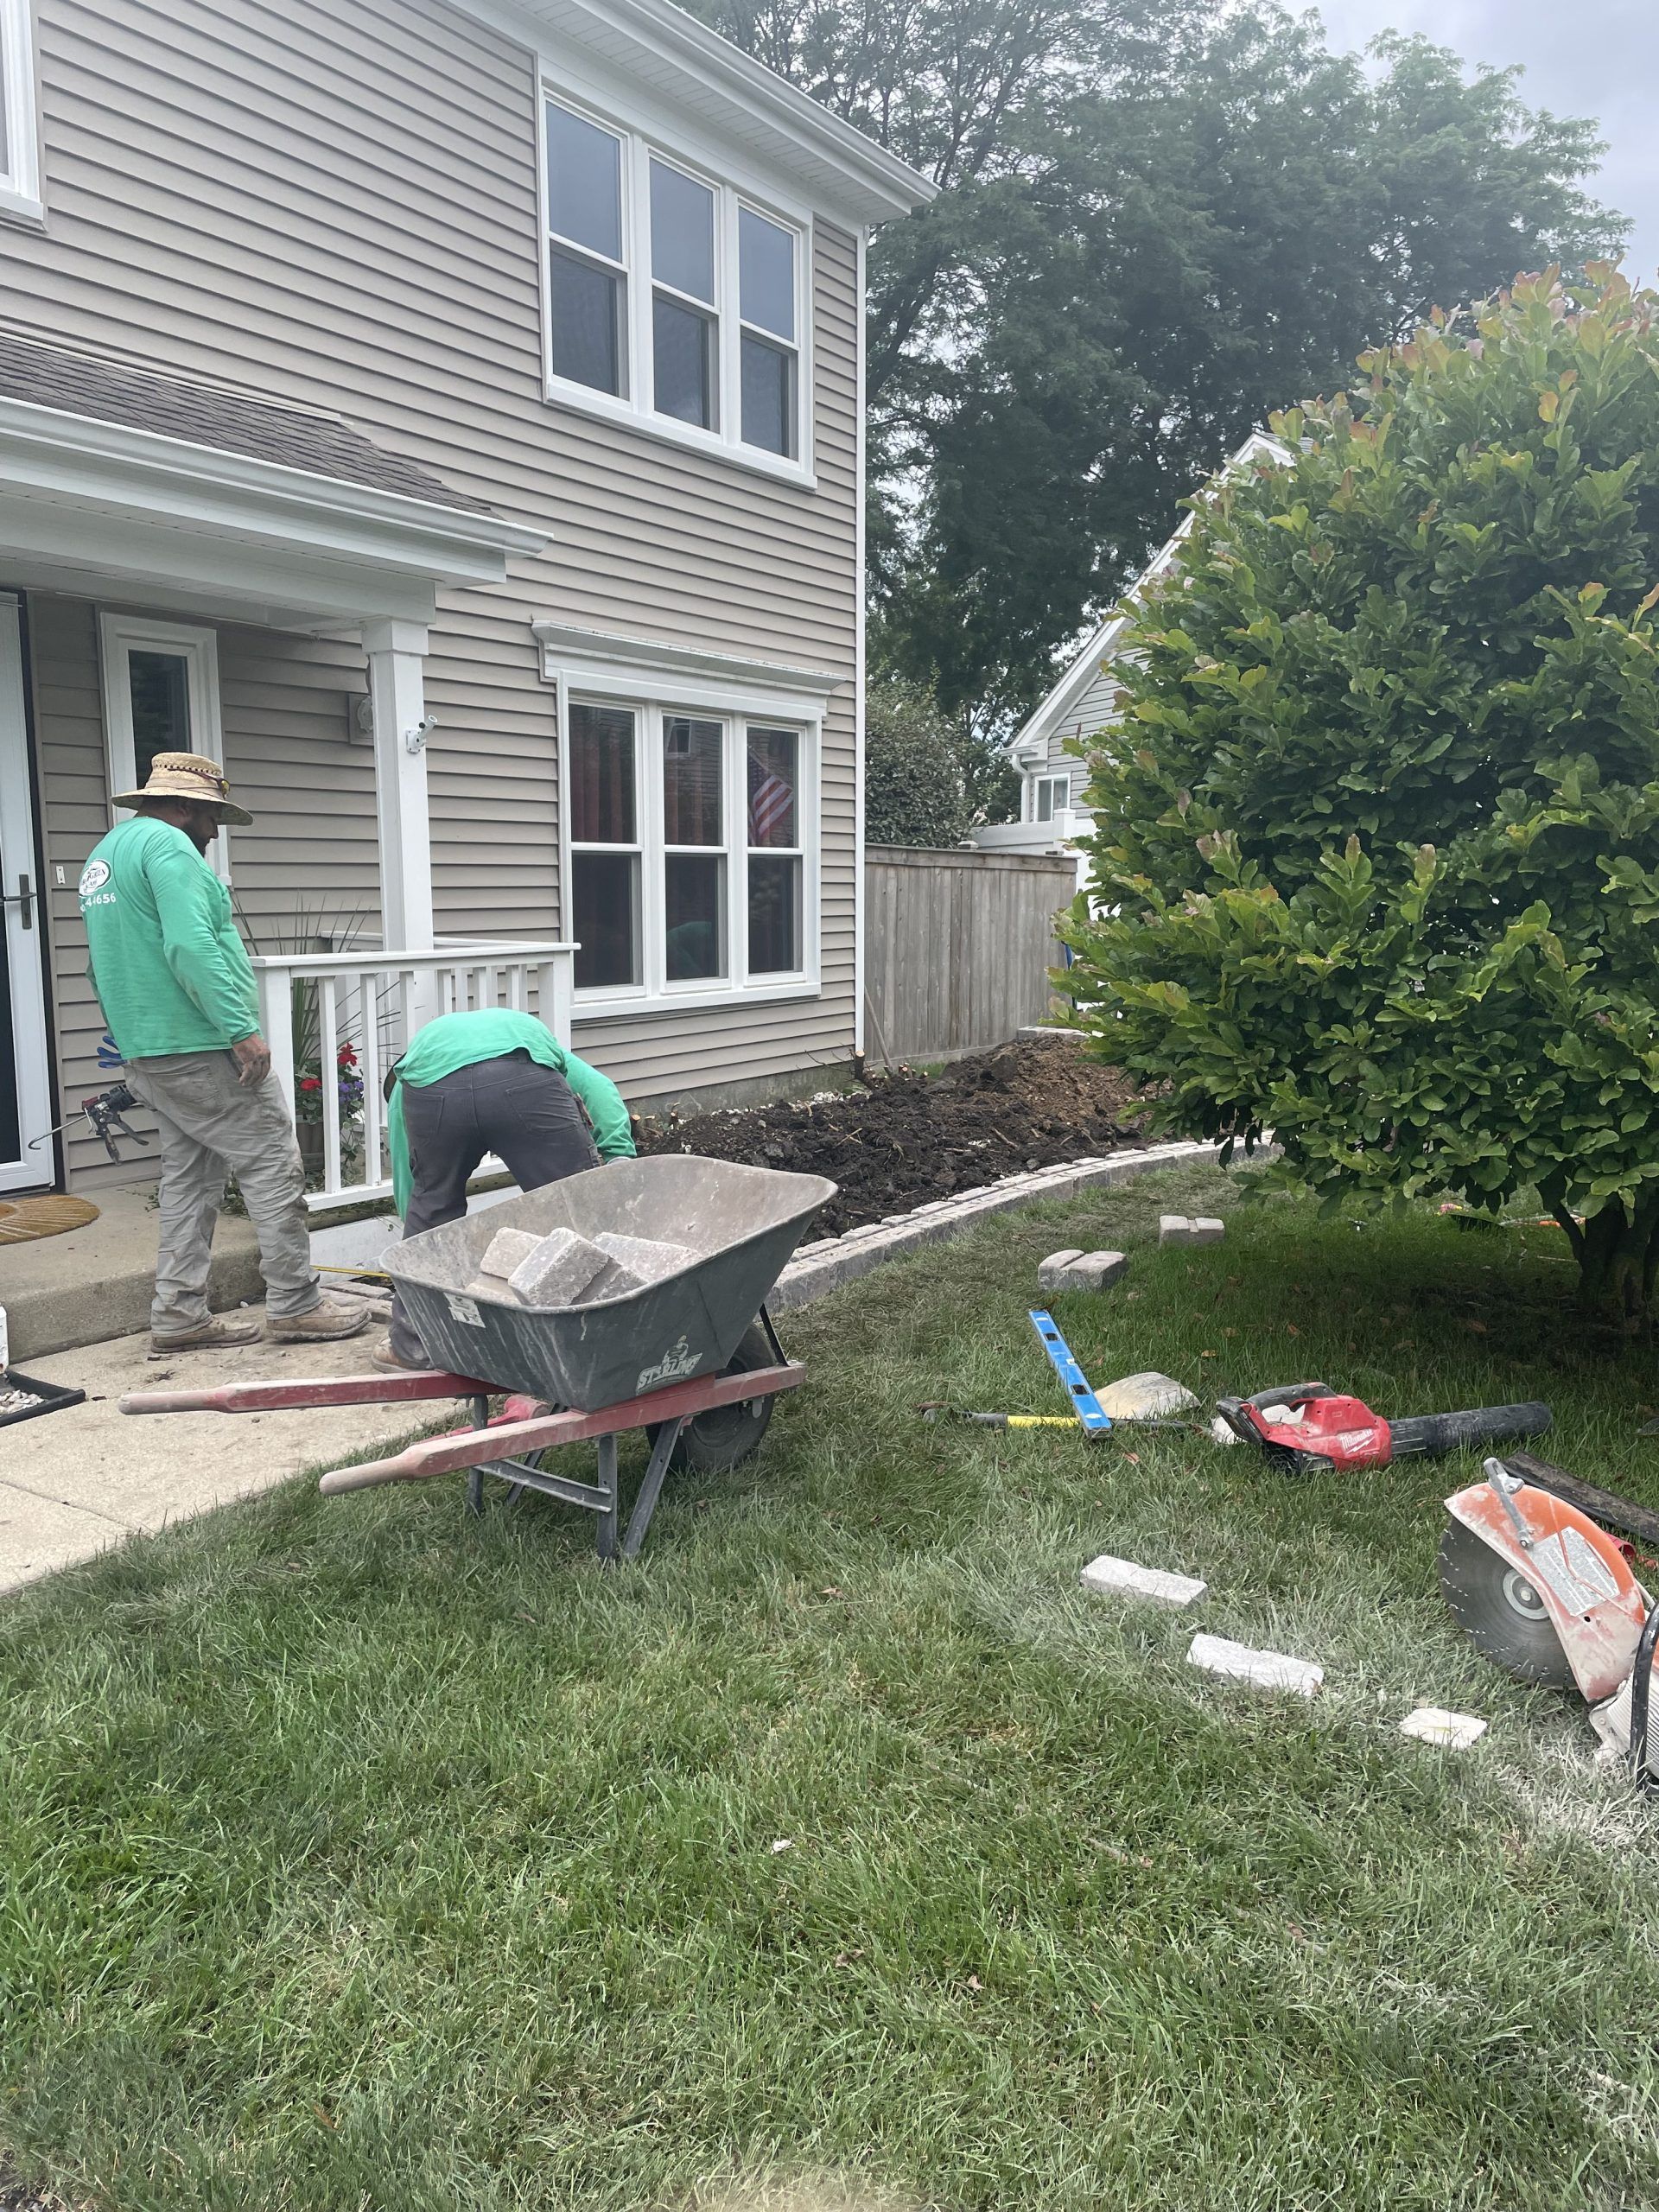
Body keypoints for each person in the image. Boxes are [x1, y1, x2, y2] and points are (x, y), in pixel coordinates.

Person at [79, 752, 368, 1356]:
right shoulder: (169, 847)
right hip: (201, 1043)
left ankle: (179, 1314)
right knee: (272, 1161)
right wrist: (239, 1027)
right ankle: (296, 1304)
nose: (214, 831)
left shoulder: (106, 855)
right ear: (183, 805)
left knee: (191, 1176)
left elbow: (99, 961)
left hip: (150, 1048)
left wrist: (130, 1034)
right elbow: (189, 943)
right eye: (211, 816)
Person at [378, 1007, 635, 1370]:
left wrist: (419, 1222)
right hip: (523, 1075)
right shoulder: (529, 1039)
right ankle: (609, 1332)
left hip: (434, 1095)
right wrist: (617, 1156)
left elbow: (414, 1188)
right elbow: (600, 1089)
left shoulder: (408, 1082)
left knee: (431, 1207)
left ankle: (413, 1347)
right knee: (574, 1202)